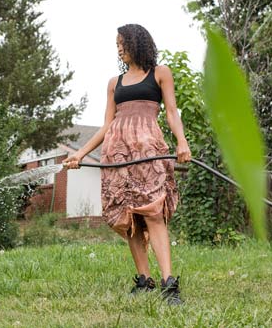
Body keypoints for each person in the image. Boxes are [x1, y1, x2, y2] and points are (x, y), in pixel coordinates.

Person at [63, 24, 191, 305]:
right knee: (129, 217)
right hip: (116, 154)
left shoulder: (160, 73)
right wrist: (81, 154)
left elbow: (172, 112)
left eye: (122, 42)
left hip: (148, 151)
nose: (118, 48)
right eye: (117, 44)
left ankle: (169, 283)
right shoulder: (114, 82)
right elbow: (106, 125)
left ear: (137, 42)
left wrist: (182, 141)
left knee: (154, 212)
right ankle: (144, 280)